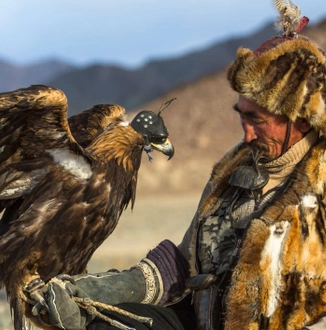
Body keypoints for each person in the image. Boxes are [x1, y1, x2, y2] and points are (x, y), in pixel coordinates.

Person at [25, 2, 326, 330]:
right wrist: (104, 291)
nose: (246, 132)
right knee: (101, 323)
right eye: (241, 115)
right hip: (196, 320)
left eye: (257, 119)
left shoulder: (319, 193)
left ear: (300, 118)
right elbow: (184, 264)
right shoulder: (232, 172)